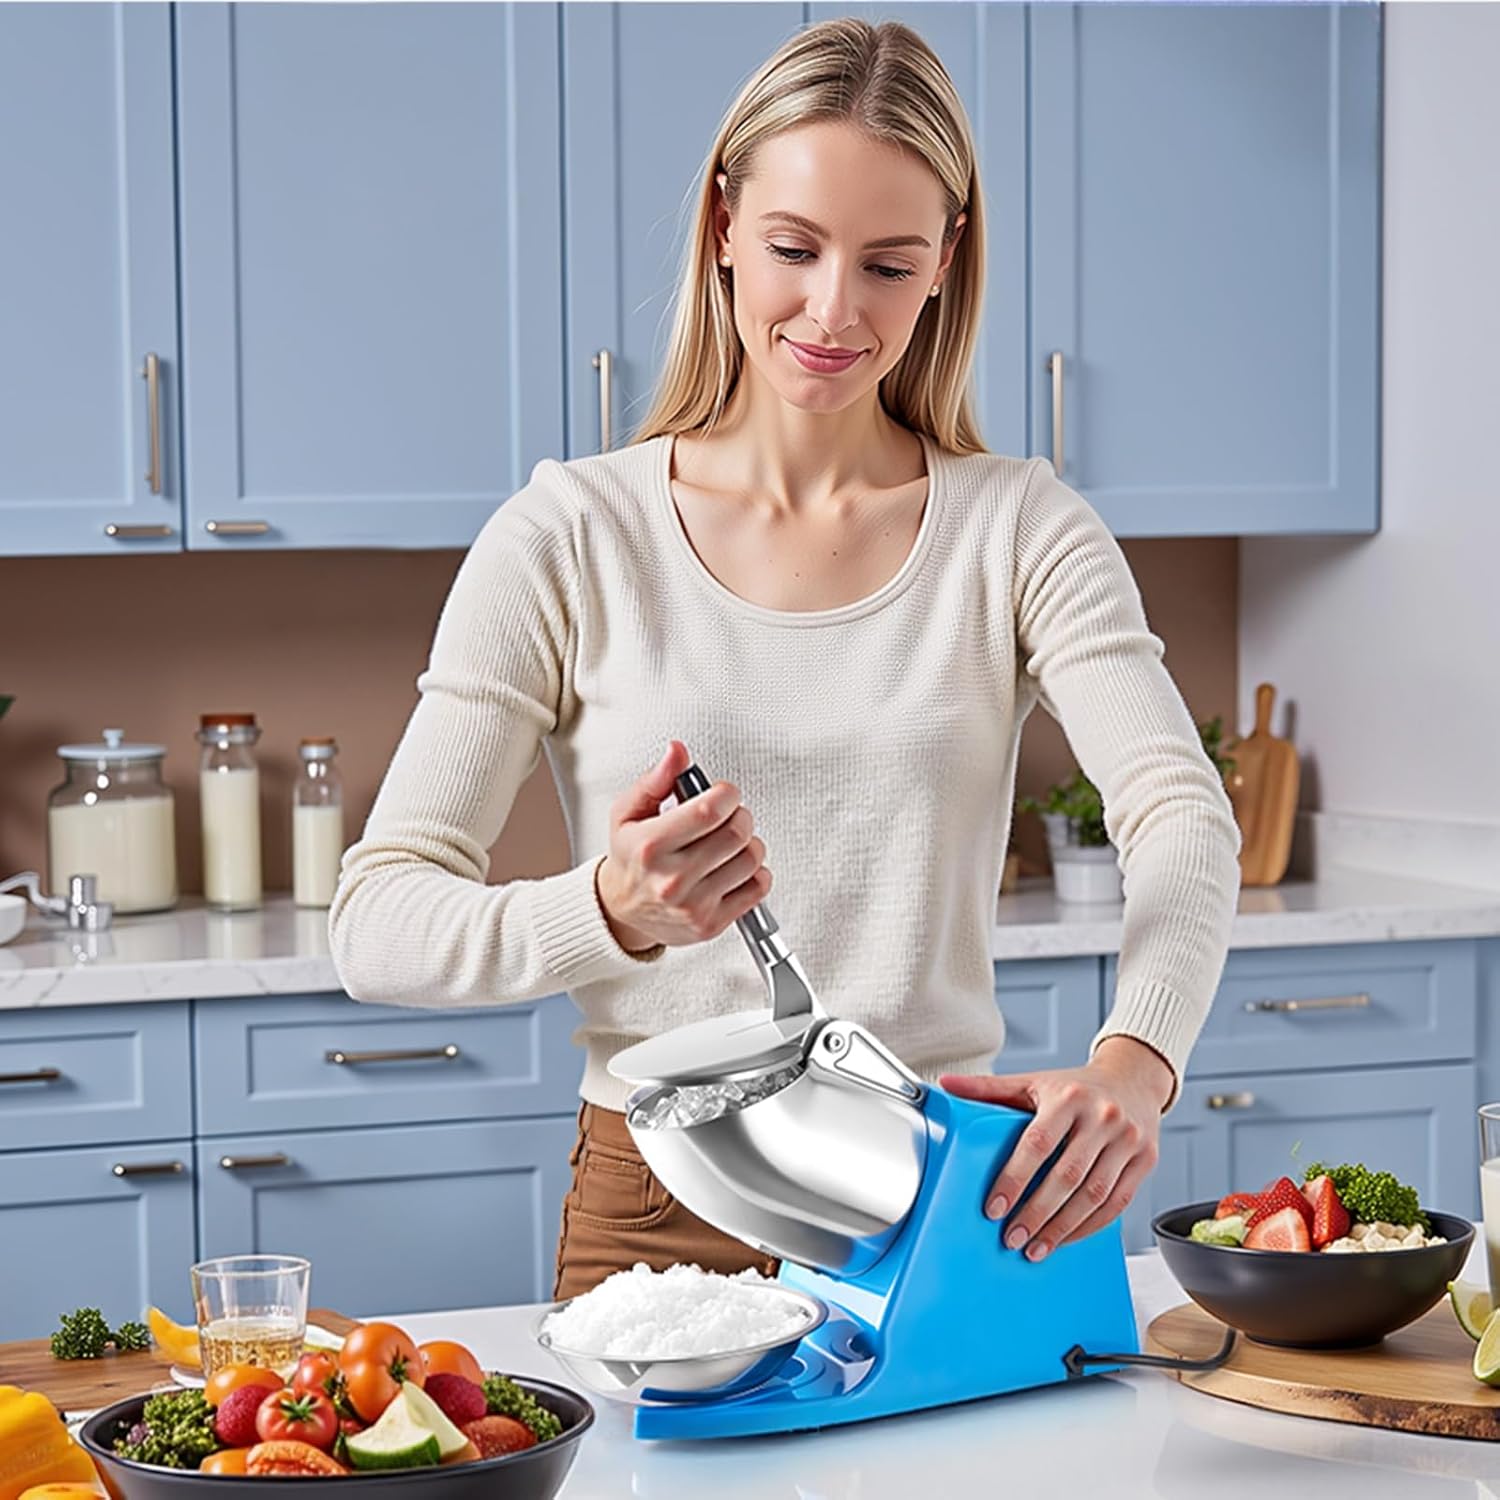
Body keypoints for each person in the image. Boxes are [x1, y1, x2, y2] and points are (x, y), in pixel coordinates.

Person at [328, 18, 1241, 1301]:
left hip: (939, 1202)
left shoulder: (1020, 528)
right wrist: (607, 911)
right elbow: (376, 927)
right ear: (721, 224)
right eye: (794, 249)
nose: (831, 310)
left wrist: (1135, 1063)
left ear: (945, 266)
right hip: (658, 1208)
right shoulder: (571, 536)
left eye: (886, 264)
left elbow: (1180, 818)